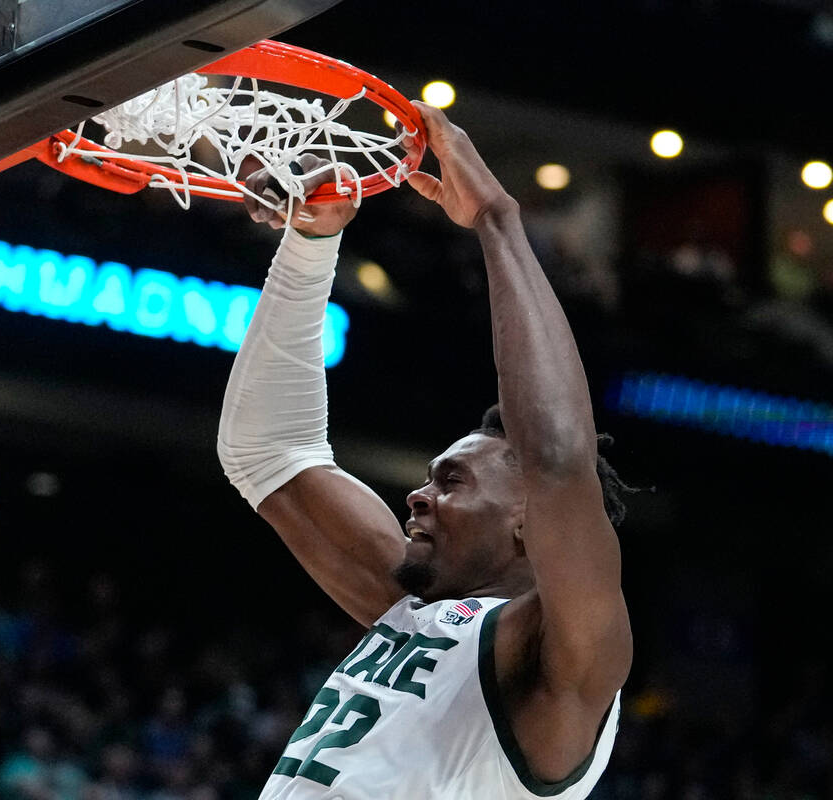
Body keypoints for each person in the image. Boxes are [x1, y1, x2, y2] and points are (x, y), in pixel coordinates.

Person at [217, 102, 634, 799]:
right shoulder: (411, 613)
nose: (419, 495)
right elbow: (270, 453)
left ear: (529, 519)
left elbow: (560, 459)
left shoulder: (564, 658)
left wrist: (497, 219)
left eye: (454, 481)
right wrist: (310, 245)